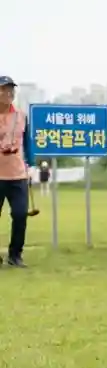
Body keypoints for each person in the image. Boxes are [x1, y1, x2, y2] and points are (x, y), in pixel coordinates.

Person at [0, 76, 34, 268]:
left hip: (17, 175)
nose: (7, 93)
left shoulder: (21, 115)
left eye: (10, 89)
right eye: (3, 89)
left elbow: (28, 143)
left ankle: (15, 255)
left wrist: (33, 164)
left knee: (20, 214)